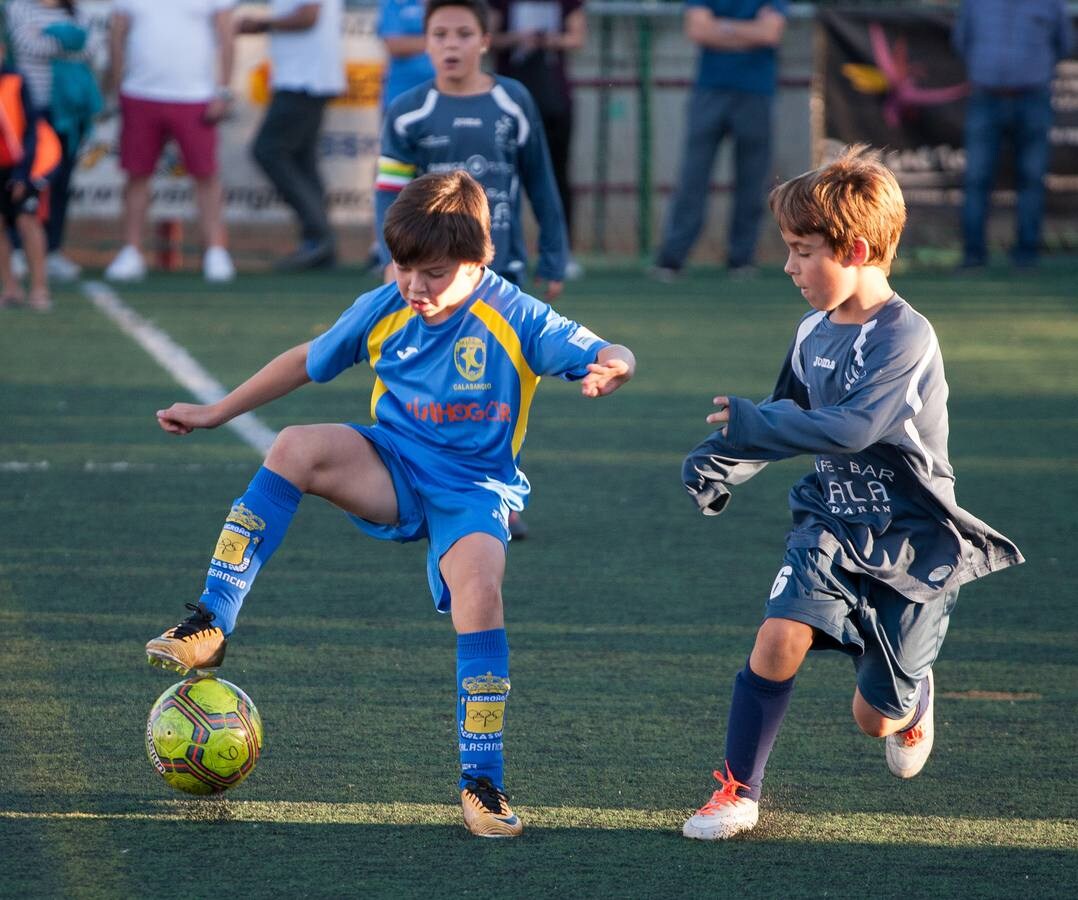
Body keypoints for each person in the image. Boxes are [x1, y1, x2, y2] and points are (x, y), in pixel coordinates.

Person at [144, 169, 635, 838]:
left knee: (481, 595)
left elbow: (603, 347)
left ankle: (481, 785)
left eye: (432, 272)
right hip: (393, 466)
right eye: (404, 268)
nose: (414, 286)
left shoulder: (513, 313)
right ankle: (209, 622)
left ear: (478, 261)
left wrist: (616, 364)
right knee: (292, 446)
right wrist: (216, 411)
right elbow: (304, 360)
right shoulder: (386, 305)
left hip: (472, 491)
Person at [678, 146, 1023, 841]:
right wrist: (721, 461)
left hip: (913, 537)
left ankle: (914, 695)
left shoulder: (907, 336)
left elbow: (852, 427)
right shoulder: (811, 332)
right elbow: (786, 414)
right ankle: (737, 793)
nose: (789, 267)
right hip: (831, 520)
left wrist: (755, 421)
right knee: (778, 638)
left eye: (803, 251)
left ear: (856, 248)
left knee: (877, 721)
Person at [376, 0, 568, 303]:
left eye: (464, 34)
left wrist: (553, 256)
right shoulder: (406, 112)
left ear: (485, 42)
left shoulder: (514, 100)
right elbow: (389, 192)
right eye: (440, 35)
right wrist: (391, 258)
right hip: (432, 277)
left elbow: (541, 181)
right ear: (425, 42)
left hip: (502, 273)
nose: (451, 44)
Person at [103, 0, 236, 283]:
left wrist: (223, 90)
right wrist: (117, 85)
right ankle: (131, 250)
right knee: (136, 174)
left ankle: (215, 250)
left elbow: (226, 31)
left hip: (195, 95)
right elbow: (117, 31)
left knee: (206, 175)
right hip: (140, 91)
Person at [652, 0, 786, 280]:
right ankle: (673, 257)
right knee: (693, 177)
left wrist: (721, 27)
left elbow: (770, 34)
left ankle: (741, 258)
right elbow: (698, 30)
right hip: (709, 91)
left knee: (752, 180)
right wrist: (749, 30)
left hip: (756, 92)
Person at [952, 0, 1074, 268]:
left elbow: (1064, 43)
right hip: (986, 96)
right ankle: (973, 255)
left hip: (1032, 97)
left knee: (1031, 177)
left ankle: (1027, 254)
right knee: (976, 177)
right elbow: (962, 40)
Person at [235, 0, 344, 272]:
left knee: (268, 150)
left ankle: (319, 237)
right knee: (302, 160)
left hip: (304, 79)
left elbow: (308, 15)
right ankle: (319, 244)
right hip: (305, 77)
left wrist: (260, 23)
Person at [489, 0, 586, 279]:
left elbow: (578, 37)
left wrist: (547, 40)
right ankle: (497, 252)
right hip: (507, 103)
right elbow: (490, 37)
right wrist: (518, 39)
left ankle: (560, 254)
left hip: (553, 101)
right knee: (501, 178)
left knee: (556, 178)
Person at [4, 0, 100, 284]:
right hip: (29, 111)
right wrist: (69, 42)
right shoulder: (18, 7)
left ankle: (52, 249)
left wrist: (49, 36)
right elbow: (27, 45)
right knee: (22, 182)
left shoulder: (76, 11)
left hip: (66, 112)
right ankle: (17, 249)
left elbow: (92, 48)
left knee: (59, 182)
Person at [0, 38, 59, 310]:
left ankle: (39, 288)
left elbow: (31, 132)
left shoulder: (16, 80)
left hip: (29, 162)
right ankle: (10, 288)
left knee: (27, 220)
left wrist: (23, 176)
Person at [378, 0, 435, 108]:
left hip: (443, 96)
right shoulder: (394, 3)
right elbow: (395, 45)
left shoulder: (450, 3)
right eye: (441, 35)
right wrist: (438, 41)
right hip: (401, 93)